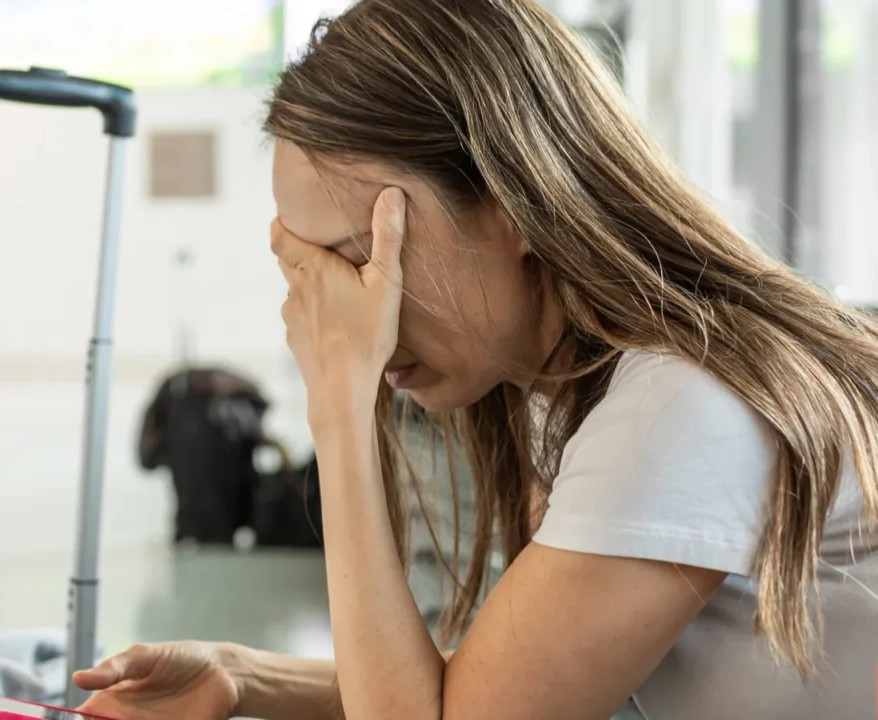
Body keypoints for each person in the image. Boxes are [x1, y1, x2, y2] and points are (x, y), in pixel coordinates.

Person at [75, 0, 878, 718]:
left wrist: (340, 405)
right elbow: (501, 691)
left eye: (361, 259)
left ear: (516, 201)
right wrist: (242, 674)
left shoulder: (677, 404)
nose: (352, 318)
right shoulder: (587, 393)